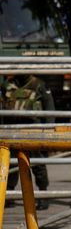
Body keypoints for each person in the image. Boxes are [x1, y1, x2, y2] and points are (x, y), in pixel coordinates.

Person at [3, 74, 56, 208]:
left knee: (37, 164)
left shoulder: (39, 85)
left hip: (33, 130)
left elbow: (49, 109)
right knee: (11, 164)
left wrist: (48, 131)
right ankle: (9, 195)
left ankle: (43, 195)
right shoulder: (7, 85)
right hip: (12, 130)